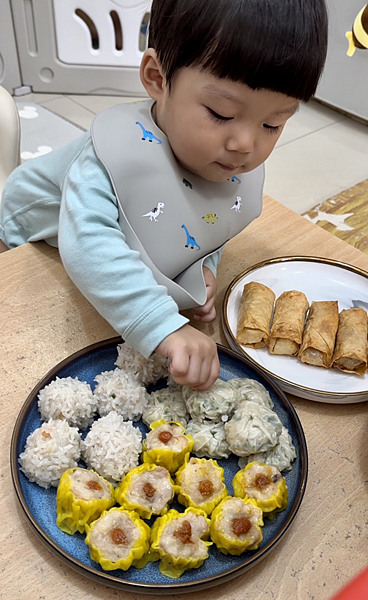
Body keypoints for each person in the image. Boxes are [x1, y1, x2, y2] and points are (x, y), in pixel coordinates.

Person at [0, 0, 328, 390]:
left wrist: (203, 267)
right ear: (157, 77)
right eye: (222, 113)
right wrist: (161, 327)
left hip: (107, 252)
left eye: (273, 123)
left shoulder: (220, 158)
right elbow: (88, 244)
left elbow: (209, 220)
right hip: (27, 239)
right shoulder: (111, 157)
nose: (245, 143)